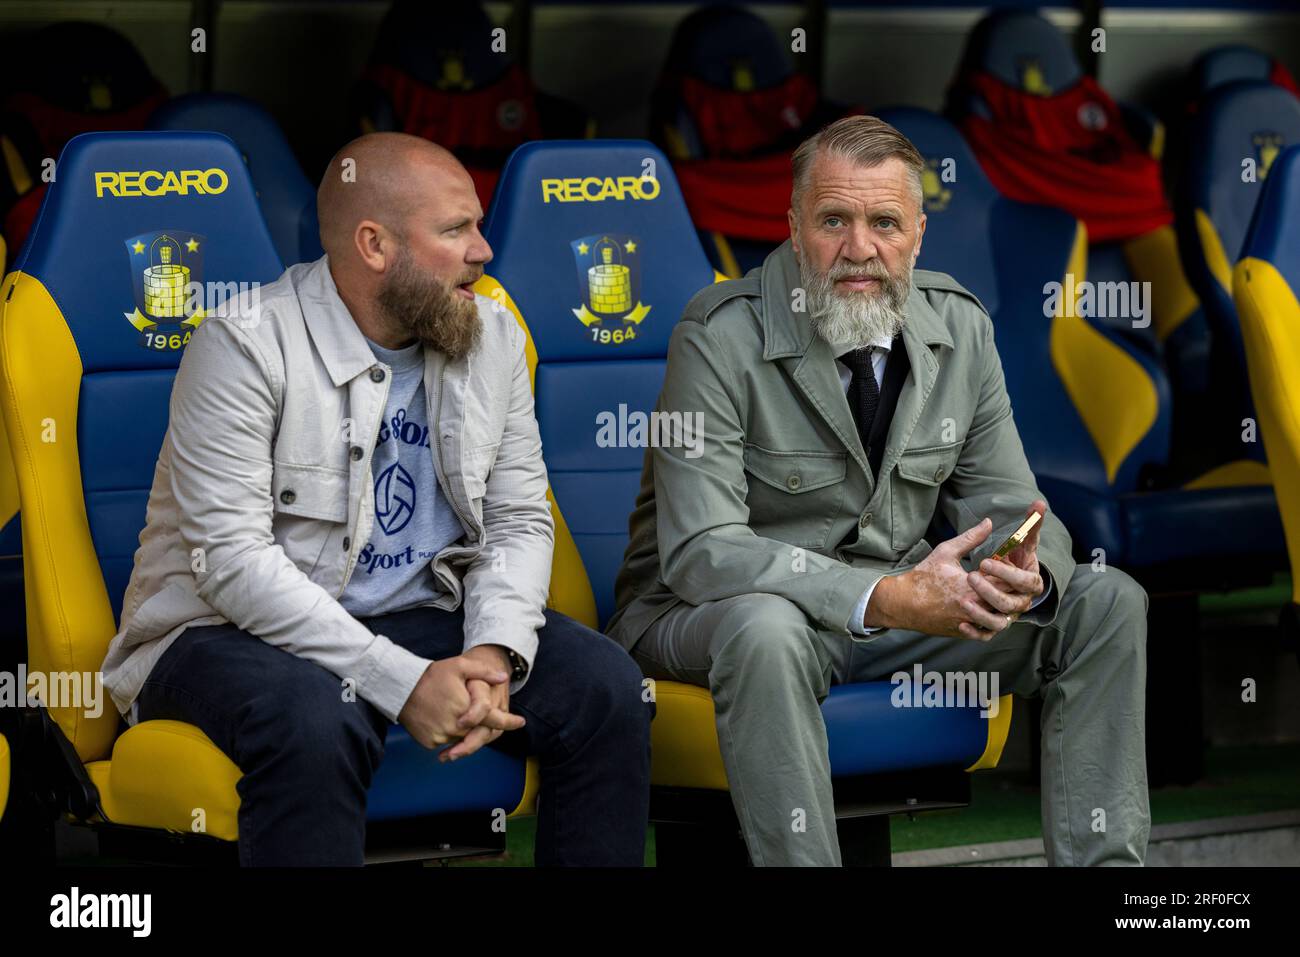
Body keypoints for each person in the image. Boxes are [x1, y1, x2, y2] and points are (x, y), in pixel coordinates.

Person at [607, 115, 1150, 867]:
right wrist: (889, 596)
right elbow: (703, 554)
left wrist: (1020, 569)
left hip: (890, 621)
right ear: (795, 229)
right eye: (834, 220)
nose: (859, 248)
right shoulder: (717, 335)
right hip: (709, 618)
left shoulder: (960, 326)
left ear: (918, 234)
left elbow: (1015, 504)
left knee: (1101, 600)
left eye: (884, 222)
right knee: (767, 629)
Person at [102, 132, 652, 866]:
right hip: (221, 633)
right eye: (456, 230)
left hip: (417, 616)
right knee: (317, 714)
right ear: (374, 244)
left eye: (477, 226)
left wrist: (490, 651)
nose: (483, 251)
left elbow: (517, 518)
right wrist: (401, 680)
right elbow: (229, 563)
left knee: (606, 687)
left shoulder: (490, 334)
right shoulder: (242, 343)